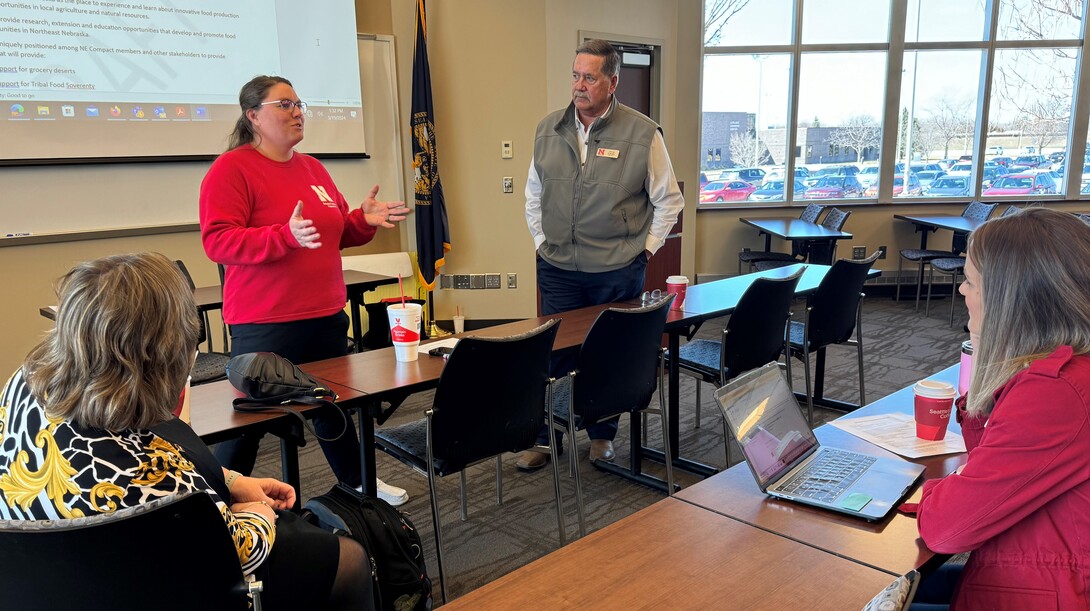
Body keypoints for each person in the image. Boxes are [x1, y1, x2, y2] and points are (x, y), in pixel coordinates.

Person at [0, 253, 374, 610]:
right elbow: (241, 549)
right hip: (163, 586)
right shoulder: (158, 479)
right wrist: (258, 510)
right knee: (352, 560)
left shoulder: (23, 385)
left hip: (52, 581)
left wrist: (229, 479)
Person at [200, 75, 411, 505]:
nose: (297, 112)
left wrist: (360, 221)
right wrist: (283, 236)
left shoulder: (312, 168)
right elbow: (218, 241)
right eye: (284, 104)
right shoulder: (232, 169)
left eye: (299, 103)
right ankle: (214, 499)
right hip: (266, 322)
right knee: (251, 421)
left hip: (324, 314)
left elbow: (331, 234)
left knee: (330, 404)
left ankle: (357, 480)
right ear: (253, 116)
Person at [913, 207, 1090, 609]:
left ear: (1010, 300)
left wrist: (937, 492)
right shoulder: (1070, 371)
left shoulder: (1056, 392)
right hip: (1040, 572)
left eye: (970, 282)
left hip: (1047, 592)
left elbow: (945, 529)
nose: (961, 292)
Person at [520, 39, 684, 471]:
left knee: (606, 354)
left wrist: (643, 251)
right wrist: (541, 242)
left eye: (589, 77)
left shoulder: (642, 132)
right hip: (557, 268)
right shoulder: (547, 129)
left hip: (616, 269)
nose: (579, 85)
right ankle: (549, 434)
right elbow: (533, 195)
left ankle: (601, 435)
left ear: (613, 82)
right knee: (555, 354)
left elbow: (669, 201)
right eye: (575, 75)